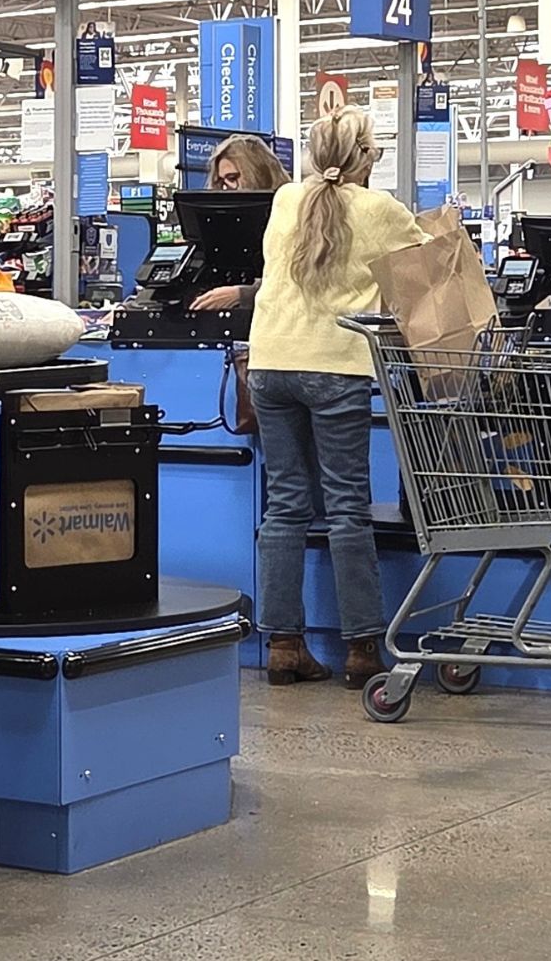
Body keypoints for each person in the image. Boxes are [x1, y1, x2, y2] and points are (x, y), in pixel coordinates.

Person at [247, 108, 428, 688]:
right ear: (367, 157)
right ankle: (362, 650)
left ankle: (283, 645)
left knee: (284, 506)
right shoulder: (380, 209)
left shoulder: (285, 200)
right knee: (347, 506)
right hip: (335, 365)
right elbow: (433, 266)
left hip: (269, 362)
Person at [189, 134, 292, 312]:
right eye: (221, 181)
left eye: (232, 178)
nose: (226, 188)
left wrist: (243, 295)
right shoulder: (221, 223)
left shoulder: (292, 211)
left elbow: (297, 283)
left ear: (257, 173)